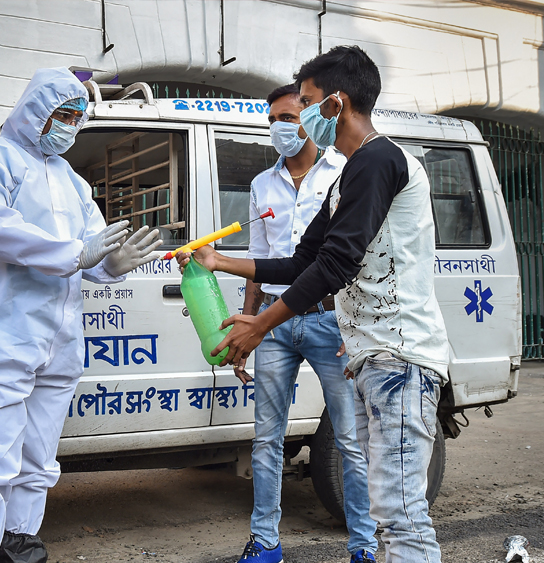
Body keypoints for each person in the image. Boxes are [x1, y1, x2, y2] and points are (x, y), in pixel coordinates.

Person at [179, 46, 448, 563]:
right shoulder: (349, 176)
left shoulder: (378, 161)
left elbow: (336, 266)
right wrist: (221, 265)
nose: (299, 117)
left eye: (305, 102)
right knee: (389, 514)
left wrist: (260, 326)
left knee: (401, 518)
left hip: (401, 357)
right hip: (373, 360)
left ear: (335, 105)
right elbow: (302, 261)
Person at [0, 67, 162, 563]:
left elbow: (94, 252)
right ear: (34, 111)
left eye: (77, 118)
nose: (69, 125)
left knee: (38, 463)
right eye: (62, 114)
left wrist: (114, 263)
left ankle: (21, 544)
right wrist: (76, 254)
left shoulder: (72, 182)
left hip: (58, 343)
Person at [233, 83, 377, 563]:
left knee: (349, 439)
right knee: (266, 439)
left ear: (312, 117)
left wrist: (354, 326)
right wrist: (250, 325)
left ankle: (363, 547)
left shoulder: (345, 172)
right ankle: (265, 542)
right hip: (274, 323)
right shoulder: (260, 185)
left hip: (330, 321)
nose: (279, 128)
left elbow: (352, 258)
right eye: (272, 120)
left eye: (289, 118)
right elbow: (261, 259)